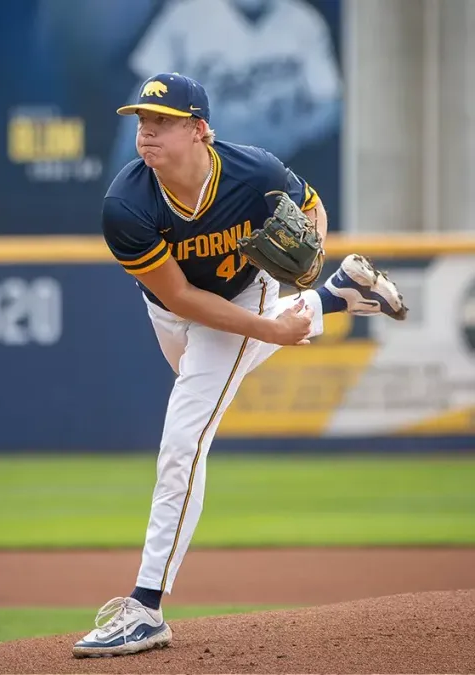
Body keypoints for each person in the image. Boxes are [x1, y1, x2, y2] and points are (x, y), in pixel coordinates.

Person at [72, 73, 408, 658]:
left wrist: (309, 260)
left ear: (199, 130)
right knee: (205, 383)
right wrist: (275, 329)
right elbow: (180, 298)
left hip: (245, 292)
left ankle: (146, 607)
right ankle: (336, 296)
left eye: (162, 122)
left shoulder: (255, 172)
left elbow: (311, 207)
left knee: (184, 440)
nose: (146, 133)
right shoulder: (126, 205)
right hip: (170, 312)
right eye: (142, 121)